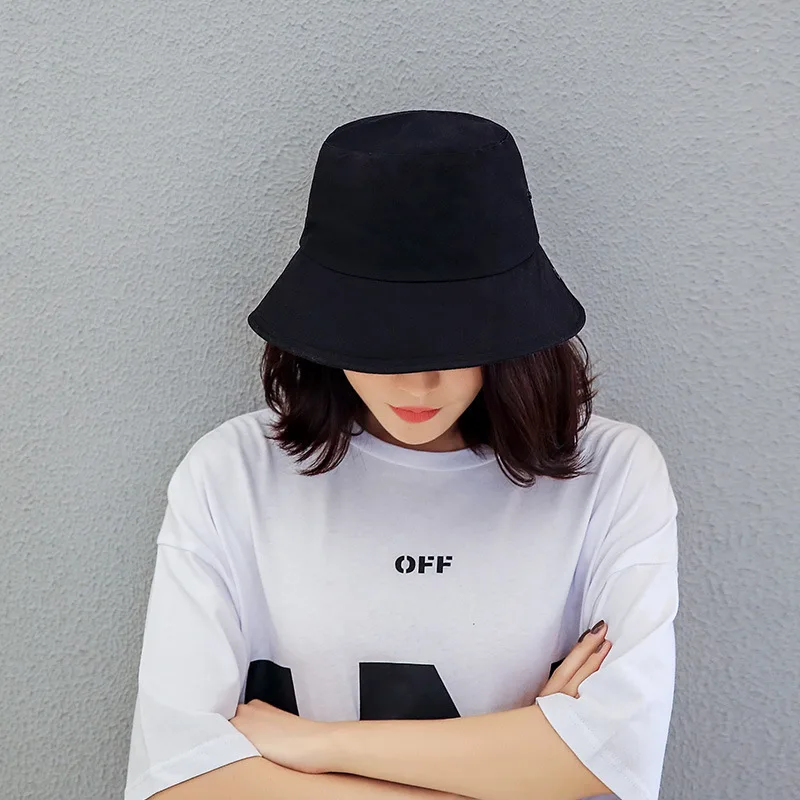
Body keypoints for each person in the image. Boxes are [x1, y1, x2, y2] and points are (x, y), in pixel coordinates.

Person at [123, 110, 679, 800]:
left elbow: (616, 756)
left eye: (457, 341)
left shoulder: (611, 476)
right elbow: (178, 781)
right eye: (380, 340)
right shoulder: (231, 475)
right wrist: (520, 762)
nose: (418, 383)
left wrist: (319, 744)